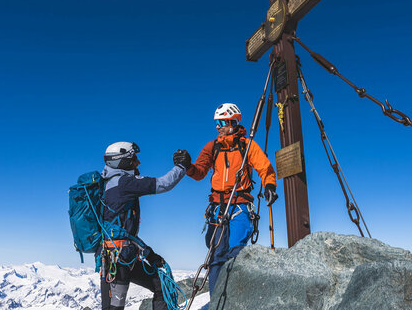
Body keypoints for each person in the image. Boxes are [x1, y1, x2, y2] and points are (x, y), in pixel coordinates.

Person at [185, 103, 278, 292]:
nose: (217, 127)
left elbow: (264, 167)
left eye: (221, 122)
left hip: (240, 204)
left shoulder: (247, 145)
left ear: (232, 121)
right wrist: (188, 166)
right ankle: (217, 301)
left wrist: (269, 185)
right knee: (216, 255)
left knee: (236, 253)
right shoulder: (212, 147)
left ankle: (236, 299)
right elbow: (200, 171)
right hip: (218, 206)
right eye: (216, 123)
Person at [99, 141, 192, 310]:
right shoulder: (124, 183)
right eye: (134, 159)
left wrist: (149, 253)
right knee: (114, 308)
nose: (138, 163)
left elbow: (121, 231)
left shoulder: (108, 183)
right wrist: (182, 166)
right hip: (118, 260)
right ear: (123, 161)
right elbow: (164, 183)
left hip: (119, 256)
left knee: (160, 286)